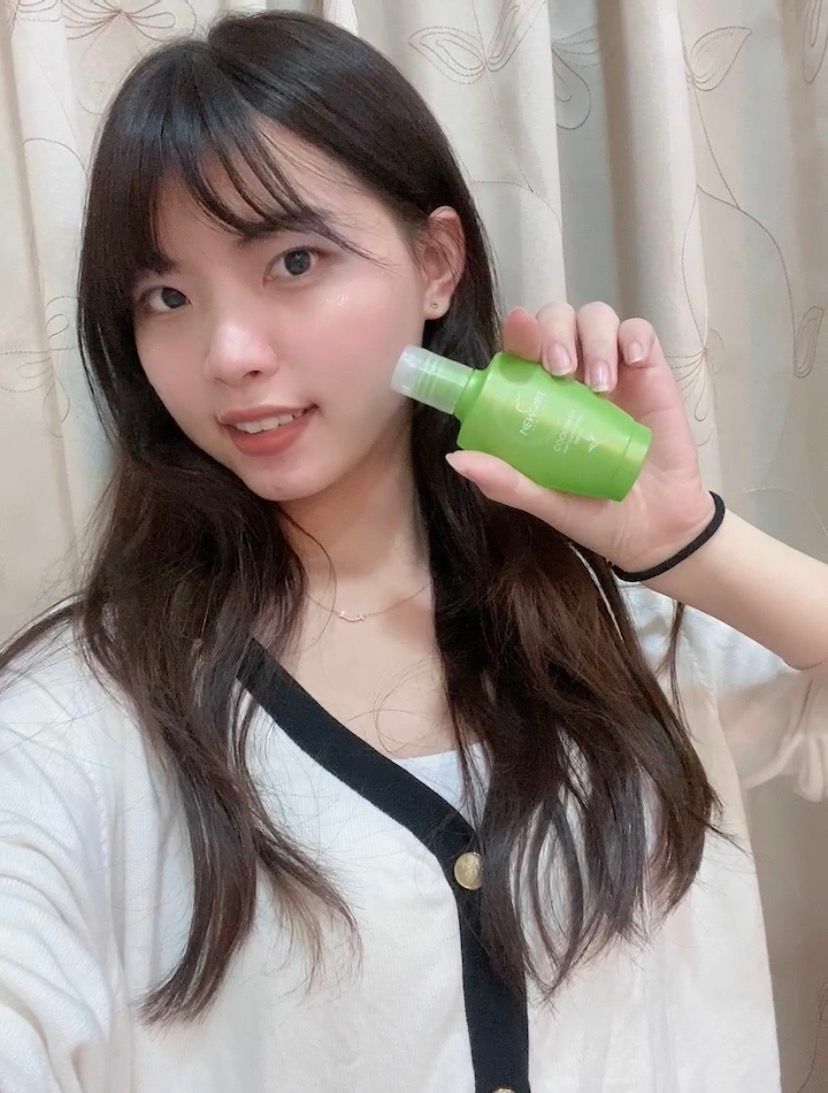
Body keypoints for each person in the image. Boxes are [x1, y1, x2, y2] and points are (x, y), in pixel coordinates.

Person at [0, 11, 825, 1093]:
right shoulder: (71, 728)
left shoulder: (618, 625)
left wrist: (685, 545)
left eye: (294, 260)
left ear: (435, 264)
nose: (229, 354)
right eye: (168, 297)